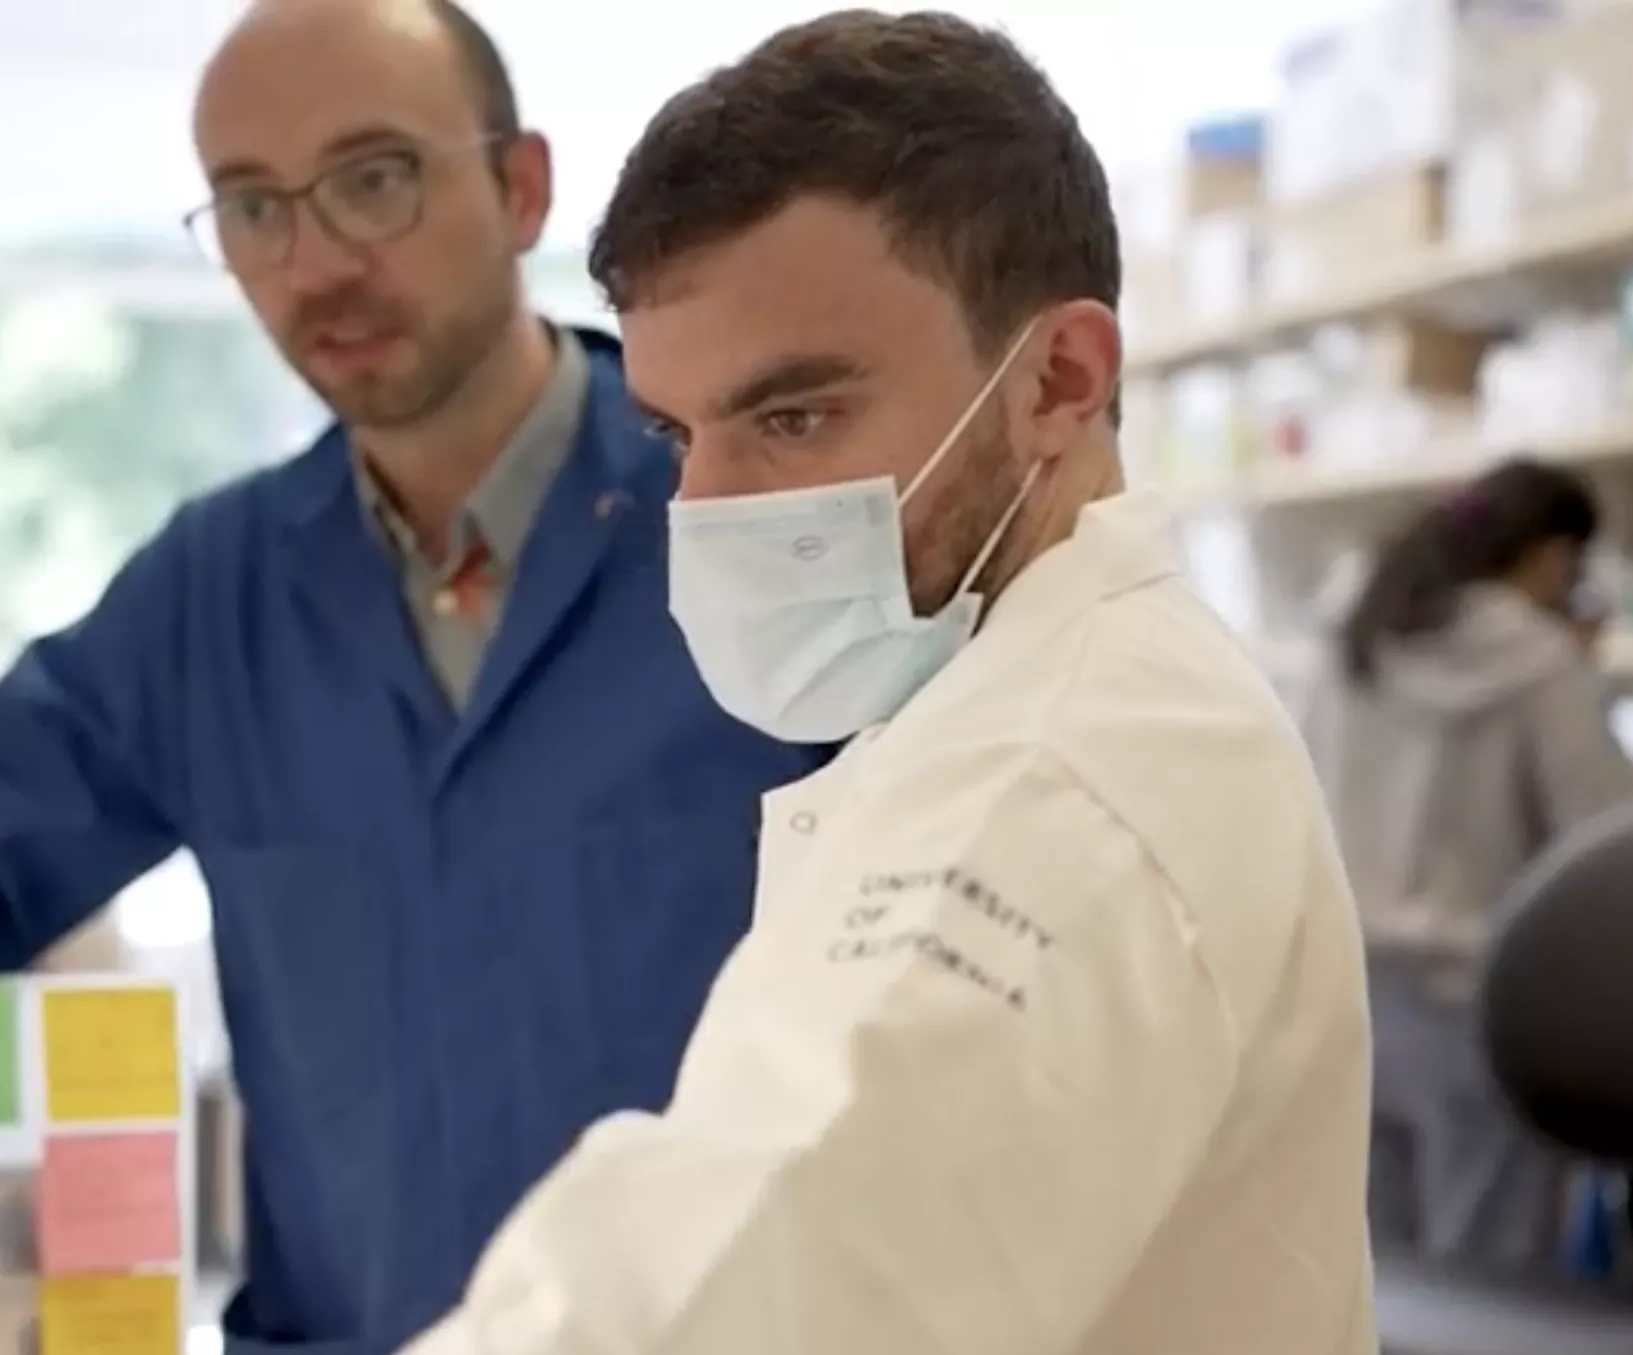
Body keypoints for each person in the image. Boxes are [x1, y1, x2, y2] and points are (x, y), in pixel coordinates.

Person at [0, 2, 827, 1350]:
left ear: (521, 186)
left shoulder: (746, 516)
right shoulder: (215, 595)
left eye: (372, 180)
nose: (314, 263)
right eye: (252, 208)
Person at [395, 13, 1376, 1353]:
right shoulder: (996, 683)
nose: (711, 505)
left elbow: (759, 1268)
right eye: (681, 432)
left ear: (1058, 379)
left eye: (794, 416)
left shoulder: (1068, 773)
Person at [1294, 457, 1633, 1268]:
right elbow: (1614, 843)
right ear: (1550, 553)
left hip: (1343, 993)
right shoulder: (1538, 658)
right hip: (1471, 1006)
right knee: (1492, 1287)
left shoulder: (1353, 624)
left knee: (1377, 1285)